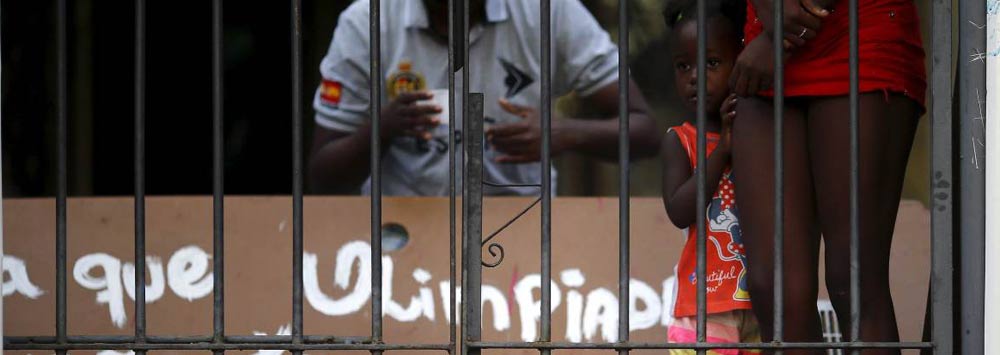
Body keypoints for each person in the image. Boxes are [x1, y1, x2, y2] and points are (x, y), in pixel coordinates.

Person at [728, 0, 926, 354]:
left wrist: (781, 36)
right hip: (766, 44)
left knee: (852, 279)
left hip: (858, 33)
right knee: (774, 287)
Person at [308, 0, 660, 195]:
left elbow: (644, 131)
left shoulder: (551, 11)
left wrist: (564, 133)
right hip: (398, 235)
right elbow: (322, 176)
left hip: (522, 230)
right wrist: (382, 130)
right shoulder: (364, 22)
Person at [659, 1, 760, 353]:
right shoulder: (679, 140)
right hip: (703, 308)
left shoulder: (765, 134)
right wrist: (723, 149)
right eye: (683, 66)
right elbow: (678, 211)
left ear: (742, 60)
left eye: (712, 63)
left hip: (761, 307)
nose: (695, 76)